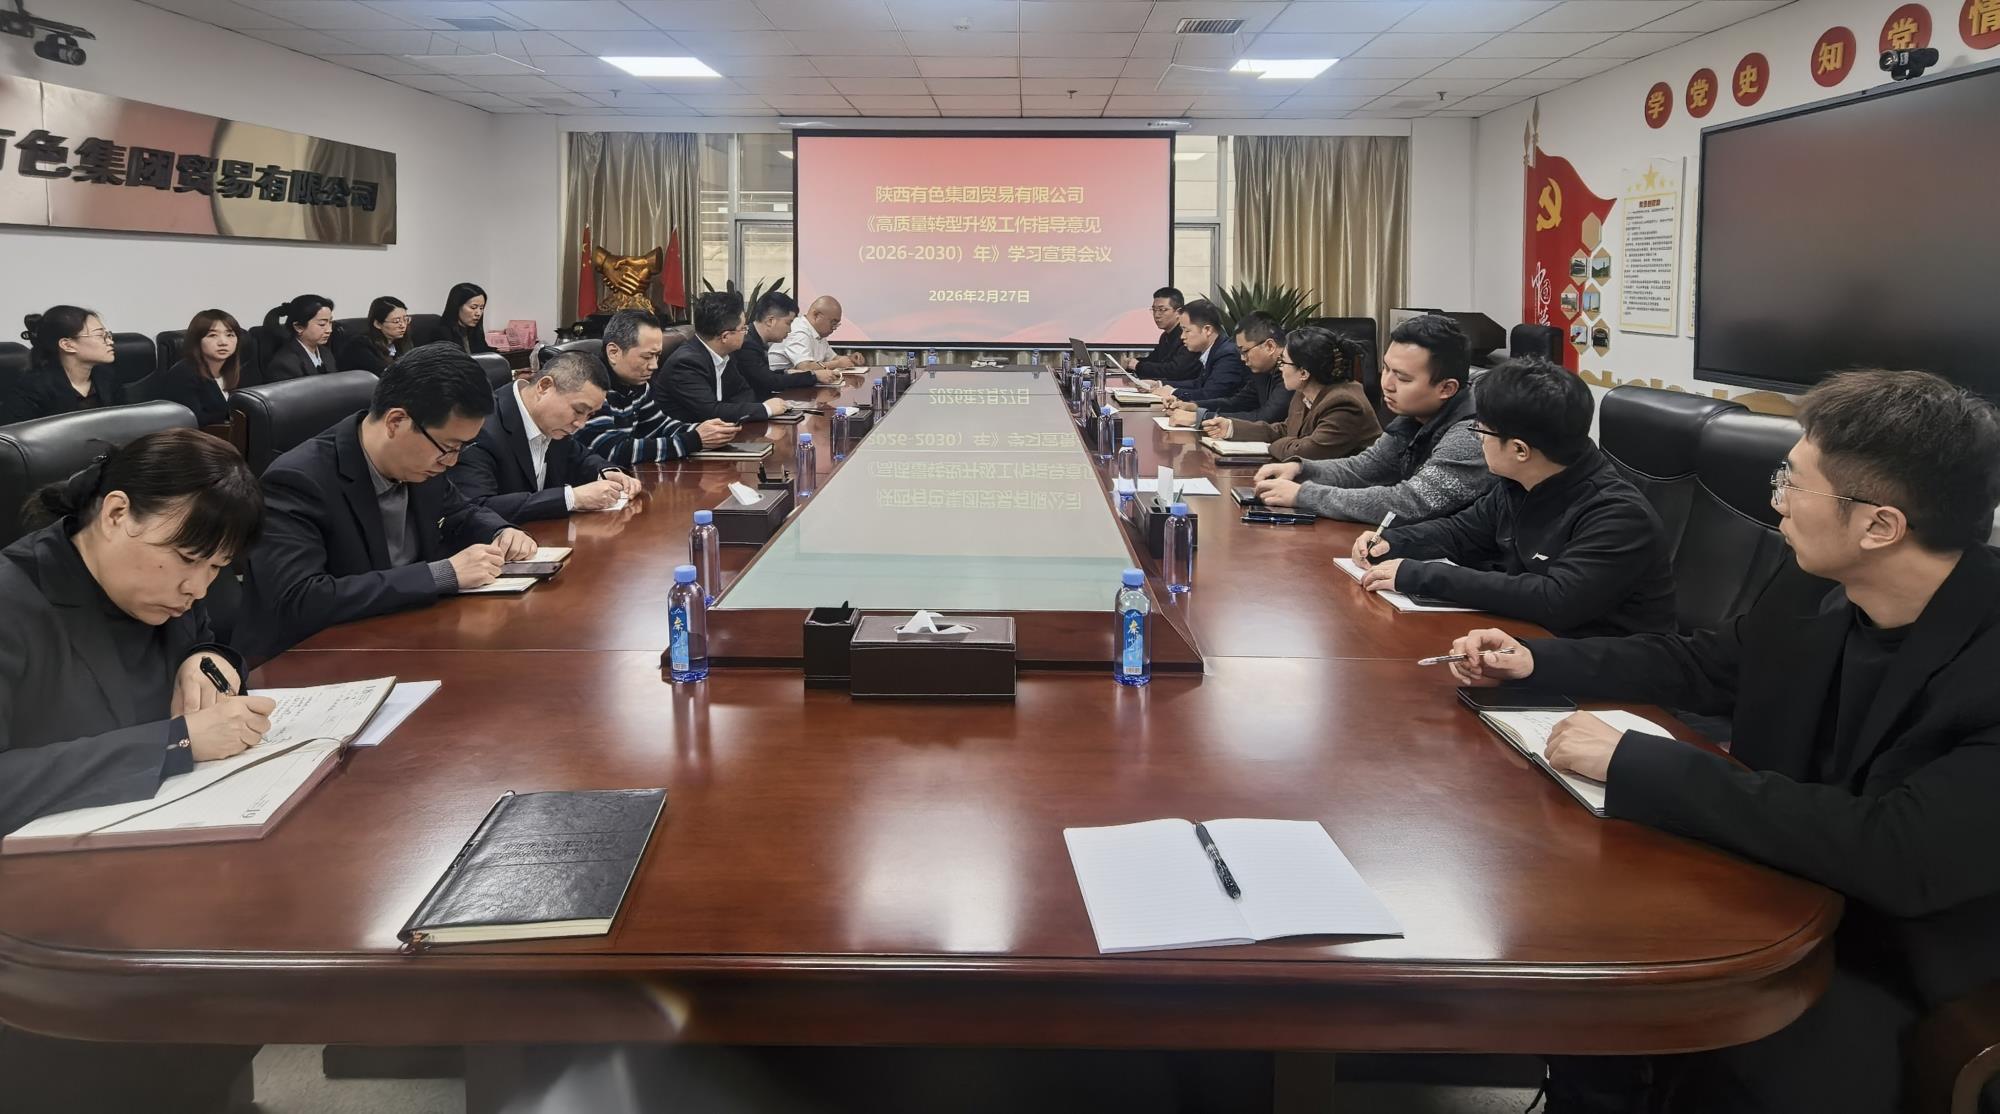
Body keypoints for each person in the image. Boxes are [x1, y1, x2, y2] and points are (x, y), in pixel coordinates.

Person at [1445, 369, 2000, 1114]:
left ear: (1879, 526)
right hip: (1774, 880)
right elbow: (1706, 663)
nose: (1776, 504)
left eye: (1791, 482)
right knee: (1575, 938)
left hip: (1899, 954)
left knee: (1731, 1046)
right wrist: (1536, 661)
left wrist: (1643, 763)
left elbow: (1899, 852)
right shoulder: (1815, 584)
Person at [0, 427, 269, 1109]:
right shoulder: (13, 603)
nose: (195, 588)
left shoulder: (154, 586)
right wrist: (175, 743)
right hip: (43, 921)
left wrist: (208, 661)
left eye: (216, 569)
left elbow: (212, 640)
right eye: (188, 560)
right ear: (118, 513)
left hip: (164, 875)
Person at [241, 343, 537, 658]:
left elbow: (460, 511)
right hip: (317, 657)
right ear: (396, 421)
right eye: (449, 447)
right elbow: (301, 599)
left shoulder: (422, 462)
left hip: (404, 635)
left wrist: (500, 531)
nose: (452, 462)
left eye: (461, 449)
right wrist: (441, 574)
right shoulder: (297, 480)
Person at [1350, 356, 1673, 637]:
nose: (1478, 439)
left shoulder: (1617, 515)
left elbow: (1555, 599)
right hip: (1529, 641)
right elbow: (1463, 532)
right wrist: (1394, 541)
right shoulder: (1520, 482)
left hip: (1603, 667)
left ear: (1520, 450)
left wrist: (1422, 576)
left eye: (1481, 430)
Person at [1252, 314, 1488, 524]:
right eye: (1386, 369)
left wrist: (1303, 495)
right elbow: (1366, 468)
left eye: (1403, 378)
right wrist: (1300, 469)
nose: (1387, 384)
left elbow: (1409, 503)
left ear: (1446, 388)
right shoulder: (1414, 416)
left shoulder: (1472, 434)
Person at [450, 351, 642, 522]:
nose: (581, 424)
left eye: (590, 415)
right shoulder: (481, 427)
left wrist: (606, 471)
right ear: (544, 386)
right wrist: (571, 498)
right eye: (578, 410)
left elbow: (580, 457)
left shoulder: (554, 423)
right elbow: (475, 507)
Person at [575, 309, 739, 467]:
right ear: (613, 352)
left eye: (657, 356)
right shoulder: (590, 387)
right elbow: (613, 451)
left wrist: (709, 431)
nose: (654, 365)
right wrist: (695, 439)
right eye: (647, 356)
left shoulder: (637, 383)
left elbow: (659, 427)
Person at [1202, 326, 1380, 464]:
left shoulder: (1343, 403)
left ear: (1303, 372)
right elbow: (1285, 430)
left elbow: (1306, 452)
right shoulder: (1303, 392)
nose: (1280, 368)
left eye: (1283, 362)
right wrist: (1231, 427)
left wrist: (1274, 445)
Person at [655, 290, 788, 425]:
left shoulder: (724, 354)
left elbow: (744, 393)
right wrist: (765, 409)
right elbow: (710, 412)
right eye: (743, 328)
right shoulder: (685, 363)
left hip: (724, 431)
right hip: (688, 434)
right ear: (725, 336)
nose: (746, 333)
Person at [1165, 312, 1292, 429]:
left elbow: (1266, 417)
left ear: (1270, 346)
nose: (1242, 358)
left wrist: (1201, 417)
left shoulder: (1291, 370)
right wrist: (1194, 406)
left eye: (1245, 351)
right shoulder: (1263, 369)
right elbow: (1238, 402)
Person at [2, 307, 125, 425]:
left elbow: (124, 423)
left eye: (107, 335)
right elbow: (12, 436)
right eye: (99, 336)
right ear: (67, 345)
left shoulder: (107, 376)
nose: (110, 341)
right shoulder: (32, 388)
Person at [1134, 300, 1247, 405]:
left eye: (1187, 330)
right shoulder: (1215, 349)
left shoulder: (1227, 354)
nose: (1182, 337)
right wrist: (1159, 384)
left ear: (1207, 330)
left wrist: (1172, 392)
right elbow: (1198, 383)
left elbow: (1210, 395)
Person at [738, 291, 841, 399]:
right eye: (788, 323)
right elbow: (771, 381)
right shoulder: (747, 345)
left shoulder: (756, 341)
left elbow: (765, 375)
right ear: (770, 321)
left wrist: (787, 372)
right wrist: (814, 377)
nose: (790, 330)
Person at [150, 310, 243, 427]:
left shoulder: (236, 370)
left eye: (230, 335)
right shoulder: (183, 374)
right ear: (197, 341)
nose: (223, 342)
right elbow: (193, 421)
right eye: (212, 335)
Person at [1120, 287, 1198, 381]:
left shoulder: (1187, 336)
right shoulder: (1165, 336)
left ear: (1178, 312)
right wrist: (1131, 362)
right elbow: (1154, 360)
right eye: (1154, 309)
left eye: (1162, 310)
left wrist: (1138, 365)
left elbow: (1175, 369)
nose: (1156, 315)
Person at [772, 295, 859, 373]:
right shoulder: (799, 331)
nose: (834, 328)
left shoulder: (818, 334)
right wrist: (837, 364)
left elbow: (832, 358)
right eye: (833, 323)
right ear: (816, 315)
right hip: (778, 383)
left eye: (837, 324)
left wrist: (850, 359)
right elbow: (805, 368)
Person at [260, 294, 338, 382]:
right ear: (298, 327)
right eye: (322, 324)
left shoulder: (326, 353)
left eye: (330, 322)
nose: (329, 330)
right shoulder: (284, 364)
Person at [339, 296, 410, 375]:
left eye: (406, 319)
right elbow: (386, 374)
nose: (403, 325)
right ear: (377, 324)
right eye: (396, 321)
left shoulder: (401, 343)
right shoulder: (360, 346)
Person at [440, 282, 493, 355]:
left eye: (481, 308)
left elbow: (483, 354)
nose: (478, 313)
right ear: (457, 306)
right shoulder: (442, 334)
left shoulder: (475, 331)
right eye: (473, 307)